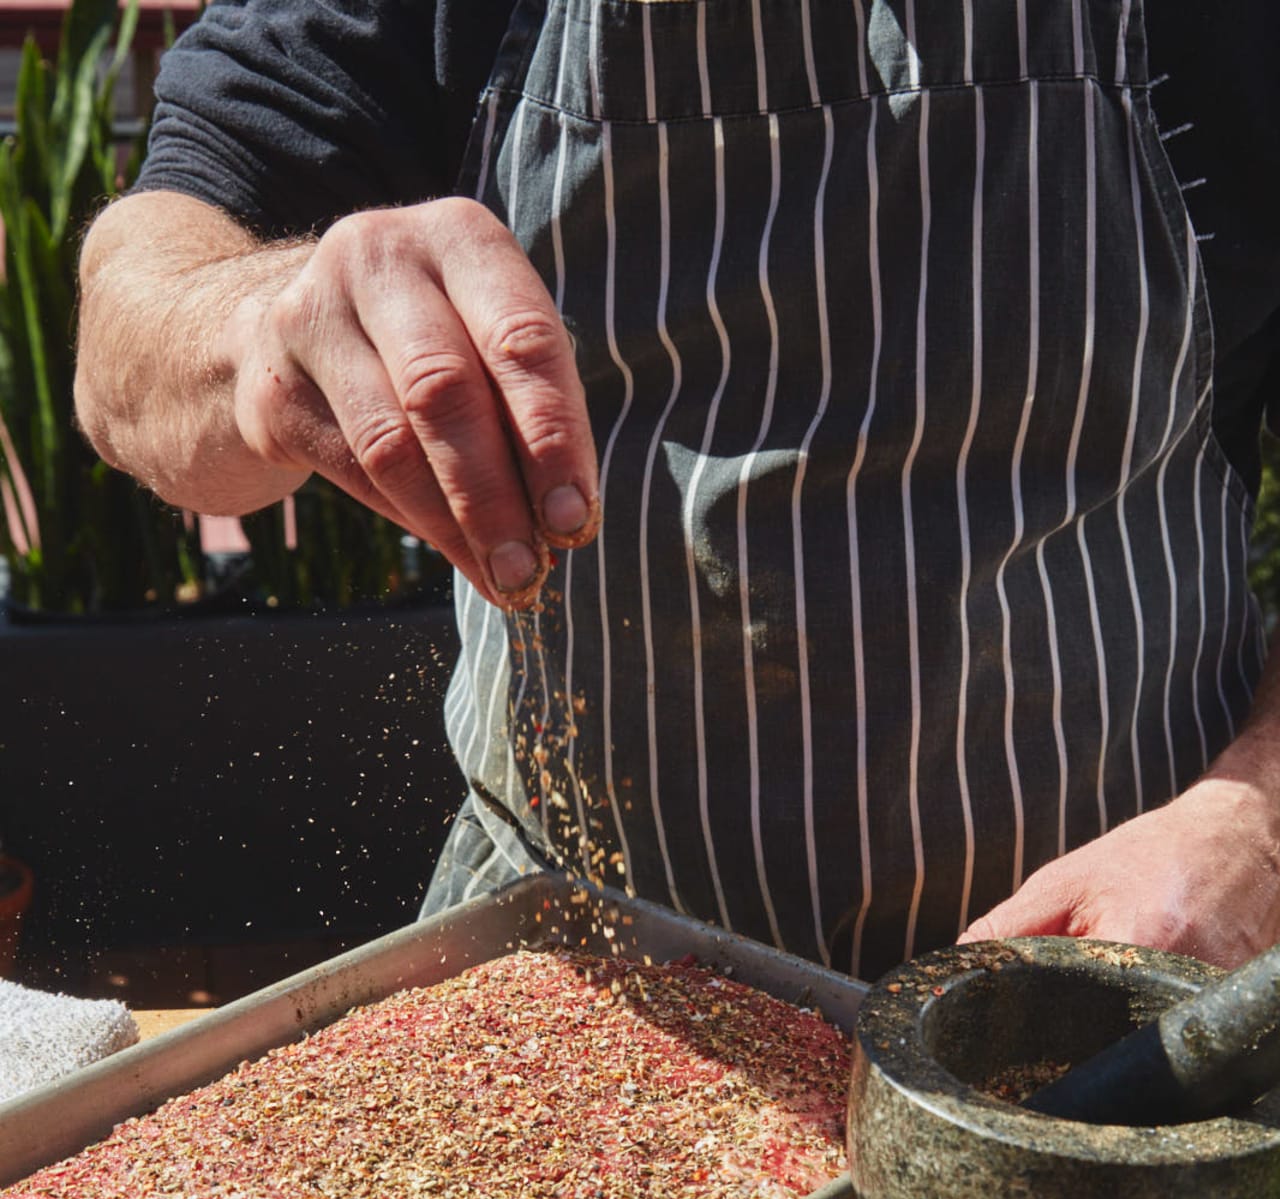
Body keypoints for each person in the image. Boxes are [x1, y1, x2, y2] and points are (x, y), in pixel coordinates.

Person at [74, 0, 1280, 981]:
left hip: (1121, 983)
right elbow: (127, 330)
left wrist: (1254, 828)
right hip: (571, 965)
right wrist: (254, 328)